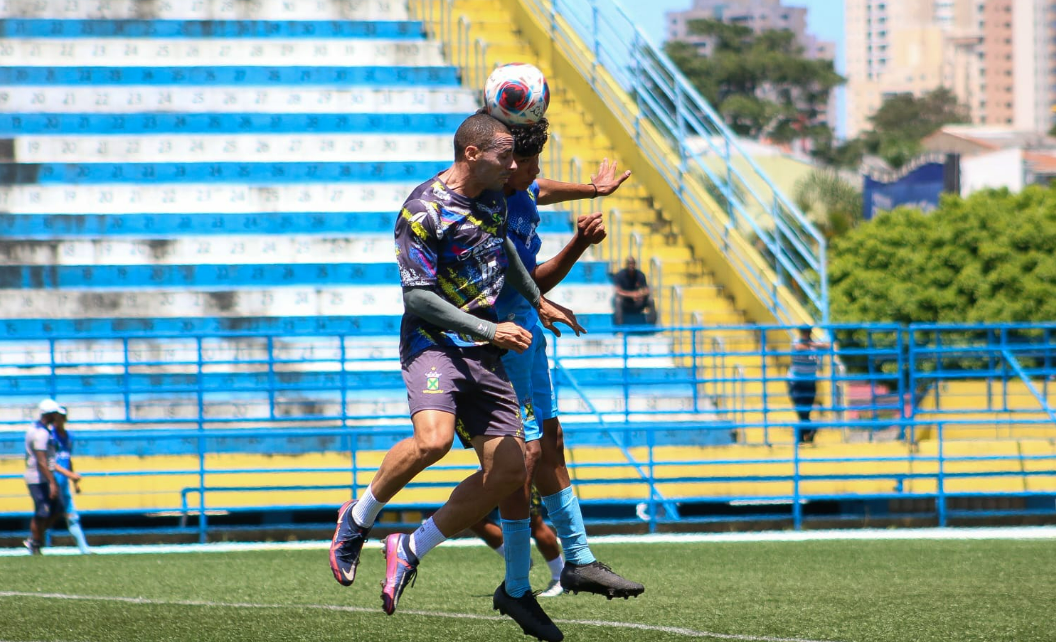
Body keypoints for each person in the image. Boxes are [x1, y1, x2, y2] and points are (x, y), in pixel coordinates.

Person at [328, 113, 581, 642]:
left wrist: (539, 301)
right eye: (505, 156)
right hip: (435, 343)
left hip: (483, 349)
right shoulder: (421, 210)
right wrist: (489, 330)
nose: (514, 166)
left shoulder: (492, 195)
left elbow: (504, 253)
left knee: (513, 469)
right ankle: (358, 516)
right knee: (434, 441)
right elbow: (418, 297)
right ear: (472, 153)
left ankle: (411, 547)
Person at [489, 118, 645, 600]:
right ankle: (516, 583)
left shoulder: (520, 184)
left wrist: (591, 190)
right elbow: (528, 277)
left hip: (529, 329)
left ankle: (577, 561)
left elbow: (541, 188)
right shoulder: (488, 205)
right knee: (523, 455)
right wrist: (579, 243)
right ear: (506, 163)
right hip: (504, 336)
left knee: (550, 439)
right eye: (529, 164)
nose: (536, 173)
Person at [469, 485, 565, 597]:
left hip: (519, 475)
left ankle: (560, 577)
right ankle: (520, 560)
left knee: (533, 523)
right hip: (491, 476)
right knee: (469, 514)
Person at [23, 399, 65, 555]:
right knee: (42, 512)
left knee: (57, 509)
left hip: (42, 477)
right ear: (50, 414)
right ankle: (35, 541)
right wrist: (52, 482)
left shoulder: (38, 429)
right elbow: (41, 461)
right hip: (38, 478)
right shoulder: (41, 433)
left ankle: (35, 538)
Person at [49, 408, 91, 554]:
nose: (59, 420)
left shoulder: (68, 437)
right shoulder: (50, 437)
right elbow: (50, 462)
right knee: (46, 517)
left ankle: (84, 549)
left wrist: (75, 481)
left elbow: (68, 460)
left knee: (72, 515)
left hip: (64, 483)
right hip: (52, 482)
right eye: (57, 417)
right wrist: (70, 475)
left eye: (62, 417)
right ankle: (34, 544)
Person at [787, 325, 832, 444]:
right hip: (796, 381)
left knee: (806, 409)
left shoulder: (813, 344)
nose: (806, 334)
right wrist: (813, 345)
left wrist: (813, 345)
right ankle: (808, 430)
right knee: (800, 408)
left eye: (808, 332)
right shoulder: (797, 342)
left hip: (810, 381)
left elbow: (828, 346)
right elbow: (798, 347)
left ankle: (803, 436)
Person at [612, 256, 657, 326]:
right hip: (626, 303)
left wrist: (639, 294)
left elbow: (646, 290)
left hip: (637, 302)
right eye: (629, 263)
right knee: (617, 300)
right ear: (626, 264)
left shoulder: (640, 275)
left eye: (633, 263)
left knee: (650, 300)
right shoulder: (620, 275)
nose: (631, 265)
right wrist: (632, 295)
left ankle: (653, 326)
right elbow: (618, 291)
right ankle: (619, 328)